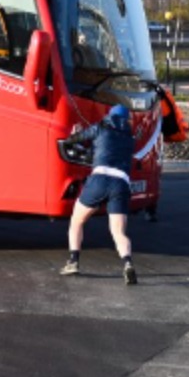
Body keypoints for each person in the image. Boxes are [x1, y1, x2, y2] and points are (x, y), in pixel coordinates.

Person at [59, 105, 138, 285]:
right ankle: (127, 263)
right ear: (126, 120)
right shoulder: (130, 138)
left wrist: (75, 133)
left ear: (110, 116)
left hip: (99, 179)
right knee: (118, 232)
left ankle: (73, 261)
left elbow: (73, 141)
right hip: (121, 182)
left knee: (77, 221)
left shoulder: (99, 127)